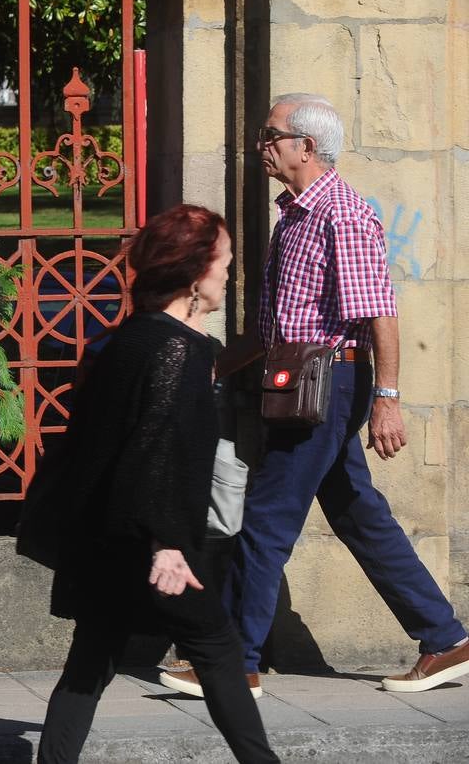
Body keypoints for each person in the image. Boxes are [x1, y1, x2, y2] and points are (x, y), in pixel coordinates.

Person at [161, 94, 469, 698]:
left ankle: (234, 662)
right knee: (360, 515)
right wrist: (219, 365)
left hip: (327, 383)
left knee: (266, 523)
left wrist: (388, 398)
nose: (261, 145)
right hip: (300, 379)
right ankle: (445, 639)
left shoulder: (342, 215)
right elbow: (283, 323)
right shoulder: (295, 214)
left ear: (308, 146)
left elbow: (379, 313)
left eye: (271, 134)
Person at [35, 205, 278, 764]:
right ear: (196, 276)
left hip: (109, 537)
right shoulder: (180, 351)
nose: (227, 275)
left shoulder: (130, 340)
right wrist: (166, 544)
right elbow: (155, 447)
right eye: (224, 263)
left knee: (89, 665)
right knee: (218, 651)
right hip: (150, 545)